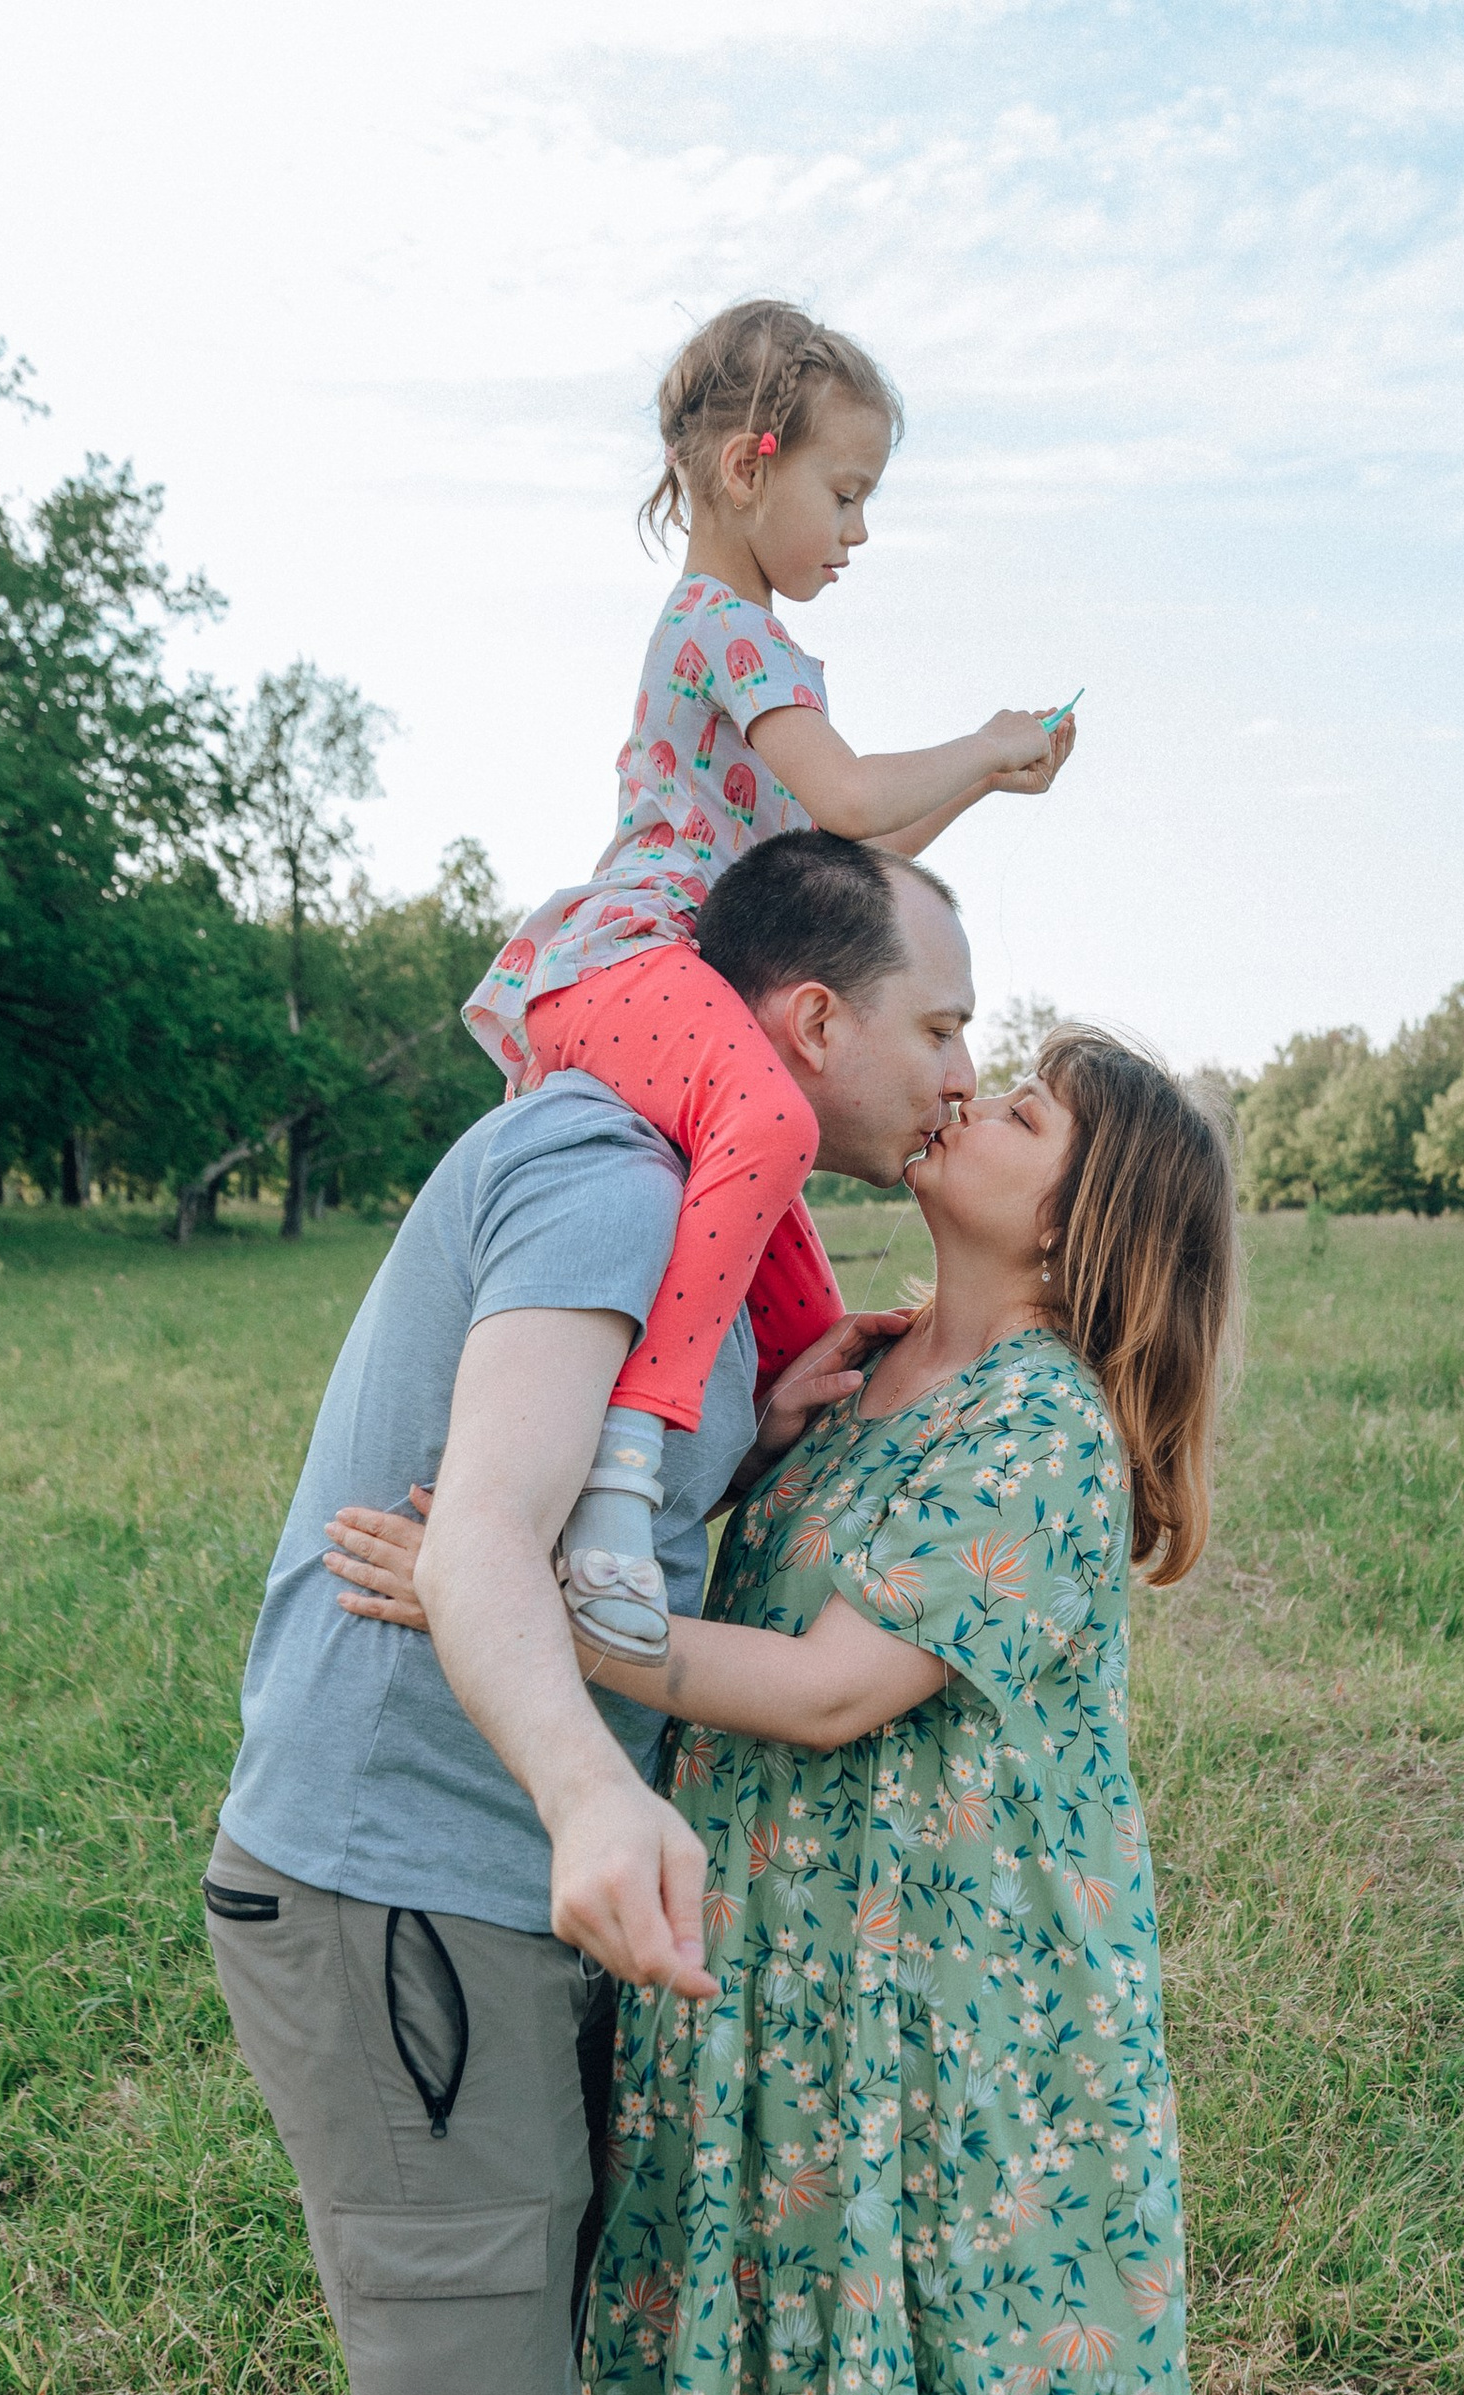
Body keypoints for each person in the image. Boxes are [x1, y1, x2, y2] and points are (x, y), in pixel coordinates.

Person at [327, 1032, 1240, 2395]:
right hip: (835, 1978)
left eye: (1029, 1111)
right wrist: (757, 1433)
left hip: (981, 2009)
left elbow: (829, 1687)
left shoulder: (1042, 1423)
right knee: (876, 2363)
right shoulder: (876, 1369)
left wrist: (507, 1603)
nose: (973, 1097)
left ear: (1087, 1221)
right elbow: (746, 1568)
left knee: (993, 2384)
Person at [201, 830, 976, 2395]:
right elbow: (477, 1538)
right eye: (937, 1022)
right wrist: (585, 1796)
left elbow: (566, 1514)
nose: (957, 1068)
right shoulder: (607, 1173)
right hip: (409, 1890)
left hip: (467, 1889)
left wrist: (771, 1415)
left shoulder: (697, 1218)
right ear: (811, 1018)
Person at [457, 299, 1078, 1658]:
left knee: (808, 1327)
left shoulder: (753, 642)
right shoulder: (724, 629)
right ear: (754, 464)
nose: (857, 532)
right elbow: (848, 798)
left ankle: (774, 1544)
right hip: (631, 960)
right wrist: (983, 741)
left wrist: (985, 787)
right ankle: (620, 1473)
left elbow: (847, 854)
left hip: (696, 978)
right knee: (777, 1119)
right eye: (845, 494)